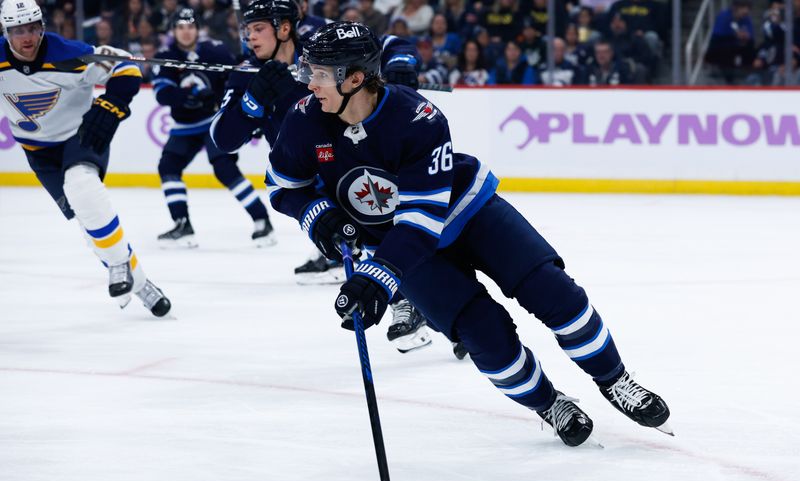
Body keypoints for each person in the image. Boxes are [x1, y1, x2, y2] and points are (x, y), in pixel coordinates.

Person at [266, 21, 672, 446]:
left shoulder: (416, 119)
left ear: (354, 78)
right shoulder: (305, 120)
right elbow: (281, 184)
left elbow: (420, 222)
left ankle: (614, 379)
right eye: (307, 71)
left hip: (467, 214)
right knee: (486, 340)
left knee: (556, 295)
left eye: (318, 74)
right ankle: (549, 404)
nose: (308, 83)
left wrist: (377, 278)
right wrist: (316, 213)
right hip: (400, 248)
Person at [209, 0, 434, 354]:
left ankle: (441, 312)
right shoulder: (246, 73)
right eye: (247, 29)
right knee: (359, 238)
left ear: (284, 28)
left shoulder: (321, 41)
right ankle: (422, 306)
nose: (249, 36)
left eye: (258, 28)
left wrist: (401, 67)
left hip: (362, 158)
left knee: (401, 235)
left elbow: (391, 44)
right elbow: (222, 139)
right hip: (312, 176)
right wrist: (254, 99)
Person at [0, 0, 170, 316]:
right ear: (6, 32)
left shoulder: (68, 53)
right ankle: (141, 283)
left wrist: (111, 105)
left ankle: (119, 264)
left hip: (82, 134)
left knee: (82, 185)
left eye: (32, 28)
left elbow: (125, 64)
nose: (27, 38)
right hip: (39, 152)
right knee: (87, 220)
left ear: (42, 27)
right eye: (17, 31)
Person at [153, 8, 275, 247]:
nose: (186, 32)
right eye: (180, 27)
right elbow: (162, 93)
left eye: (190, 26)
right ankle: (182, 225)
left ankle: (262, 221)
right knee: (168, 166)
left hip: (212, 121)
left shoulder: (215, 51)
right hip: (184, 125)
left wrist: (224, 99)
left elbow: (238, 78)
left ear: (197, 29)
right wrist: (187, 96)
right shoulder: (165, 54)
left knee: (224, 168)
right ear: (173, 30)